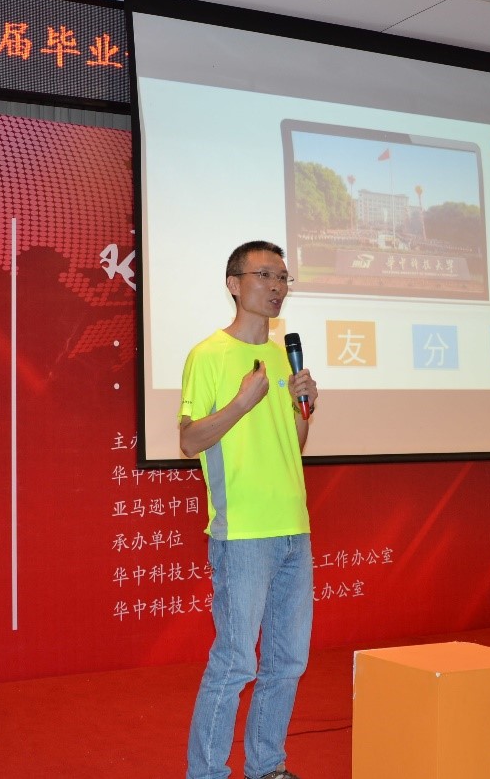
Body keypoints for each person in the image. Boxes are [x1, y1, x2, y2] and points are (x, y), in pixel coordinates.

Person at [180, 240, 319, 779]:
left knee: (287, 661)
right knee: (236, 662)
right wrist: (241, 403)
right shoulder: (208, 355)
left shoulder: (284, 357)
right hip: (242, 533)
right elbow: (190, 440)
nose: (277, 286)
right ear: (234, 284)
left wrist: (303, 410)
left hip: (294, 528)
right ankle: (207, 772)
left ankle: (267, 766)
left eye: (283, 277)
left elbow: (293, 446)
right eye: (265, 275)